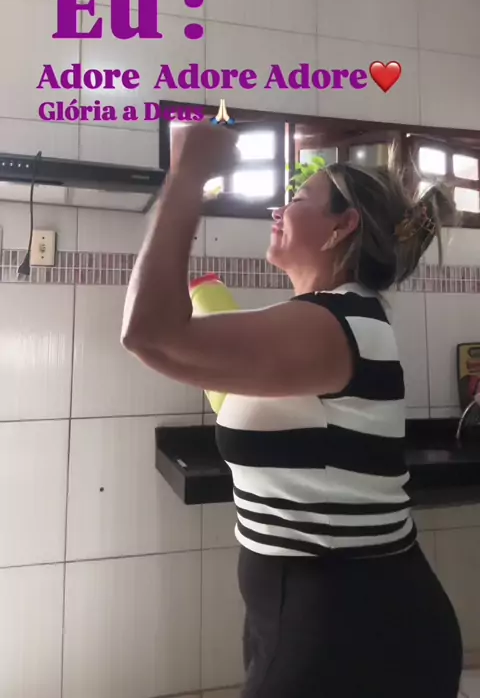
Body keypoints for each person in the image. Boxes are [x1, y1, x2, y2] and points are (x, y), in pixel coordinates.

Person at [121, 124, 463, 698]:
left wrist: (187, 176)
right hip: (312, 613)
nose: (279, 209)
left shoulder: (331, 325)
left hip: (355, 628)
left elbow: (149, 333)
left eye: (299, 198)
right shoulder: (325, 318)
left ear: (342, 226)